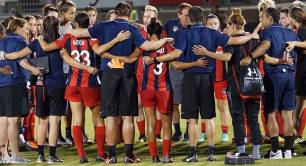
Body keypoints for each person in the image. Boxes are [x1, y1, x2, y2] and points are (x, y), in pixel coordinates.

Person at [145, 6, 258, 162]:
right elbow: (235, 40)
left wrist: (156, 59)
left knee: (192, 119)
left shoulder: (184, 34)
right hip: (207, 80)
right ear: (203, 18)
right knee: (209, 118)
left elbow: (176, 54)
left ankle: (193, 153)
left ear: (190, 19)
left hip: (189, 79)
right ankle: (211, 153)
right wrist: (251, 36)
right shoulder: (212, 33)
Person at [69, 2, 173, 163]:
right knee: (127, 117)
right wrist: (165, 39)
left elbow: (79, 33)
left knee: (110, 117)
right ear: (130, 13)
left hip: (109, 73)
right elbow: (148, 45)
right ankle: (128, 155)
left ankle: (111, 156)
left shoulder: (103, 26)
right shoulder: (133, 29)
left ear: (116, 13)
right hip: (127, 74)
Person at [37, 12, 131, 163]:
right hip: (91, 83)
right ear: (88, 23)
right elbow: (100, 51)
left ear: (76, 23)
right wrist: (116, 39)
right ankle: (101, 153)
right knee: (98, 120)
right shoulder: (92, 37)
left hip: (73, 84)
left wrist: (40, 38)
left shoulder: (67, 37)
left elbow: (47, 48)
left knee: (77, 120)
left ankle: (82, 155)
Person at [193, 8, 263, 160]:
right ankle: (257, 152)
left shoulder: (231, 41)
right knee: (253, 118)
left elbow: (225, 57)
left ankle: (242, 150)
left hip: (237, 83)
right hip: (254, 83)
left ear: (232, 25)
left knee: (237, 118)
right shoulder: (254, 39)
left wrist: (206, 53)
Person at [3, 16, 67, 164]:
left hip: (40, 85)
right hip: (57, 85)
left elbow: (18, 56)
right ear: (57, 26)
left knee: (42, 122)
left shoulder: (36, 42)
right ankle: (51, 155)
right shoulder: (62, 41)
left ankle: (40, 155)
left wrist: (4, 55)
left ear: (43, 26)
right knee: (55, 121)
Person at [241, 7, 298, 159]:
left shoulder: (267, 32)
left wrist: (251, 56)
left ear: (270, 19)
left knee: (271, 113)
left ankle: (275, 150)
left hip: (274, 76)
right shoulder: (292, 33)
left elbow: (265, 46)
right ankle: (288, 150)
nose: (261, 21)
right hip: (291, 76)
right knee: (287, 113)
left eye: (262, 18)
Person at [0, 17, 42, 164]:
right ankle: (15, 155)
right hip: (15, 83)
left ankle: (4, 155)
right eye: (25, 28)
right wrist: (34, 69)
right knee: (13, 121)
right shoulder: (19, 41)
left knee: (3, 121)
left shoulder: (2, 40)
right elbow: (21, 61)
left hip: (2, 85)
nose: (28, 31)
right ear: (17, 28)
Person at [139, 17, 173, 163]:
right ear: (161, 34)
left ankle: (154, 156)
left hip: (146, 89)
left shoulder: (143, 46)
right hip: (164, 89)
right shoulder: (166, 45)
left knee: (150, 123)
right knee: (166, 124)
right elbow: (176, 55)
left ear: (147, 34)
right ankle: (166, 155)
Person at [199, 14, 230, 143]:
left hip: (220, 78)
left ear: (219, 25)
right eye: (210, 24)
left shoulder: (224, 40)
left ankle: (224, 132)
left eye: (215, 23)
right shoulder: (201, 39)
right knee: (204, 106)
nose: (212, 26)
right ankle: (203, 131)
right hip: (205, 77)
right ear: (205, 25)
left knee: (222, 106)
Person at [163, 2, 192, 142]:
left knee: (188, 102)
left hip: (190, 68)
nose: (188, 18)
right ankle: (177, 131)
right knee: (174, 103)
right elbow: (158, 37)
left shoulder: (195, 27)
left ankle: (188, 131)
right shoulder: (170, 25)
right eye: (186, 15)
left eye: (189, 15)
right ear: (179, 15)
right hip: (174, 68)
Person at [285, 7, 306, 145]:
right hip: (301, 72)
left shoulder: (302, 29)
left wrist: (294, 43)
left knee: (296, 110)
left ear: (293, 18)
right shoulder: (300, 29)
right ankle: (294, 139)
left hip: (304, 73)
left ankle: (289, 144)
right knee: (297, 109)